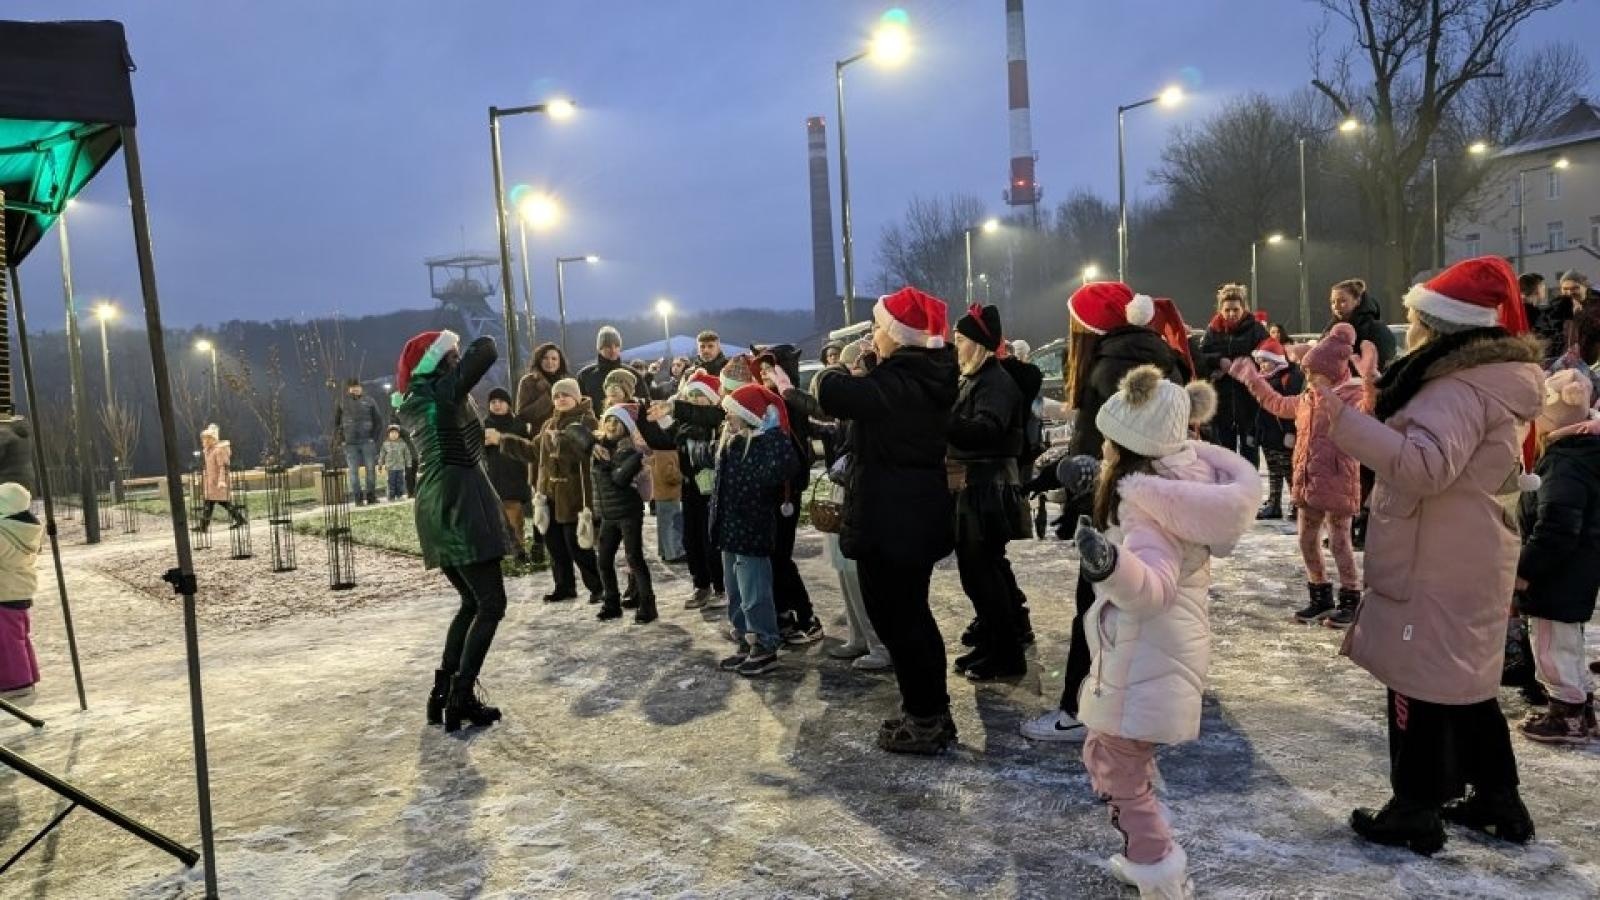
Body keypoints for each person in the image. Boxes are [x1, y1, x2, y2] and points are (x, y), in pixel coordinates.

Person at [1320, 256, 1541, 854]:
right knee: (1465, 683)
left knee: (1415, 682)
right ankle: (1498, 799)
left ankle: (1415, 809)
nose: (1410, 326)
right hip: (1462, 550)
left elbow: (1423, 466)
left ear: (1437, 326)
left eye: (1415, 317)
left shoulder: (1455, 387)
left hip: (1436, 557)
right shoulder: (1480, 379)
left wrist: (1342, 420)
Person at [1072, 365, 1258, 900]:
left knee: (1115, 764)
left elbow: (1152, 587)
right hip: (1158, 654)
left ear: (1130, 447)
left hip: (1146, 659)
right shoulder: (1177, 480)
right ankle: (1147, 857)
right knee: (1114, 753)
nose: (1103, 449)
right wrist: (1096, 480)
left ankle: (1156, 866)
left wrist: (1109, 566)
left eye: (1108, 444)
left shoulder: (1148, 512)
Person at [1022, 282, 1184, 744]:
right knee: (1127, 607)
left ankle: (1080, 709)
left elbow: (1107, 448)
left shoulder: (1112, 366)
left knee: (1095, 608)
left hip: (1113, 506)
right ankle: (1131, 701)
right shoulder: (1150, 355)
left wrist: (1074, 479)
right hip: (1143, 503)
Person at [813, 287, 960, 754]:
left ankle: (925, 717)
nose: (874, 334)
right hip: (908, 514)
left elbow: (830, 392)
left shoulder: (901, 380)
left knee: (901, 621)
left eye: (878, 327)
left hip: (893, 518)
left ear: (899, 334)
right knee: (909, 617)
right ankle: (929, 710)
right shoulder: (921, 375)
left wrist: (842, 368)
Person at [394, 330, 513, 733]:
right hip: (460, 503)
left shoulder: (417, 398)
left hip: (436, 505)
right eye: (453, 354)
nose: (459, 359)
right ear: (438, 360)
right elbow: (488, 348)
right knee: (491, 603)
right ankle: (460, 698)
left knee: (471, 602)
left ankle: (442, 694)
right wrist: (451, 348)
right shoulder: (440, 390)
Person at [1232, 324, 1375, 625]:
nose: (1308, 379)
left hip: (1338, 481)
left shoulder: (1350, 397)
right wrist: (1254, 381)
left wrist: (1370, 382)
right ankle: (1319, 594)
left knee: (1339, 542)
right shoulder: (1308, 398)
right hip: (1308, 480)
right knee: (1306, 540)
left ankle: (1350, 597)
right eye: (1307, 373)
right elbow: (1278, 404)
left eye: (1314, 374)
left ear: (1333, 373)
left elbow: (1368, 411)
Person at [785, 339, 890, 670]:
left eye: (852, 366)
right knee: (845, 571)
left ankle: (879, 643)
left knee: (859, 573)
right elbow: (821, 412)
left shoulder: (872, 401)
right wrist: (789, 392)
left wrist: (790, 391)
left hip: (861, 493)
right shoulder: (851, 407)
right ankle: (858, 637)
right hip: (844, 489)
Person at [1513, 369, 1599, 743]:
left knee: (1551, 646)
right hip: (1576, 570)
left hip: (1557, 575)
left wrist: (1525, 569)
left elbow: (1557, 527)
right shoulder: (1583, 453)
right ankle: (1583, 707)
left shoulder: (1564, 463)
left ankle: (1567, 714)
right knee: (1567, 644)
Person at [947, 304, 1030, 682]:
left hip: (989, 488)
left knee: (984, 572)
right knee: (978, 572)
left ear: (978, 344)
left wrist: (942, 419)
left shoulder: (995, 382)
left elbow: (987, 431)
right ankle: (993, 643)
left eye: (960, 339)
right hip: (976, 486)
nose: (956, 347)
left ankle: (1006, 654)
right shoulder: (975, 378)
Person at [711, 384, 799, 677]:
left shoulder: (765, 444)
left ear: (749, 415)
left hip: (752, 530)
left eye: (732, 413)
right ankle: (744, 639)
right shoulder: (731, 442)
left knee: (754, 592)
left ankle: (764, 643)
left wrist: (773, 434)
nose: (727, 418)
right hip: (729, 530)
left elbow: (784, 469)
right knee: (735, 591)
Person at [505, 378, 604, 605]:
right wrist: (504, 441)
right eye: (557, 396)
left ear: (576, 397)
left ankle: (598, 586)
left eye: (565, 395)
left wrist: (565, 441)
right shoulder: (549, 424)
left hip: (576, 495)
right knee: (555, 546)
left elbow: (589, 452)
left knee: (579, 545)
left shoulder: (588, 421)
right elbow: (533, 451)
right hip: (550, 495)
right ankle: (564, 586)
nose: (561, 400)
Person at [642, 371, 727, 609]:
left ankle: (721, 587)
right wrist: (660, 417)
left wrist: (674, 407)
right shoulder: (686, 425)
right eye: (691, 395)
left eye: (700, 395)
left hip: (712, 490)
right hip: (690, 489)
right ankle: (701, 585)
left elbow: (703, 415)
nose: (695, 400)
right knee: (691, 539)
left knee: (710, 540)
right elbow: (674, 436)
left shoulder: (718, 418)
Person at [756, 345, 823, 645]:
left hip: (786, 492)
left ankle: (807, 617)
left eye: (769, 369)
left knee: (781, 557)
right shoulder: (764, 399)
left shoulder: (789, 402)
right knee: (772, 557)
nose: (764, 375)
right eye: (761, 370)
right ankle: (783, 614)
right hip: (768, 491)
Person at [576, 403, 659, 624]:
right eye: (609, 420)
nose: (612, 425)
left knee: (634, 559)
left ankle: (648, 605)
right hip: (607, 514)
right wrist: (592, 445)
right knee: (603, 560)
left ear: (626, 427)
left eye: (617, 422)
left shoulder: (632, 451)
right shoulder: (597, 444)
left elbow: (620, 479)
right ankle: (611, 603)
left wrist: (606, 462)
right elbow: (573, 430)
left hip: (628, 513)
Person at [1197, 284, 1268, 465]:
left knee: (1249, 454)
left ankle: (1250, 483)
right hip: (1222, 403)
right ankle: (1228, 483)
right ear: (1220, 310)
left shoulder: (1256, 329)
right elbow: (1200, 358)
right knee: (1224, 456)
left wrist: (1244, 366)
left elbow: (1269, 359)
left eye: (1235, 309)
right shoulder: (1213, 330)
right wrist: (1217, 361)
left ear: (1244, 308)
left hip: (1249, 402)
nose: (1231, 314)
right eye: (1227, 310)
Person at [1246, 338, 1303, 520]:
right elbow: (1257, 411)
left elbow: (1292, 407)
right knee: (1274, 471)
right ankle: (1274, 503)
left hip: (1281, 433)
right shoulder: (1262, 380)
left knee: (1289, 471)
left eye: (1266, 361)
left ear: (1277, 360)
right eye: (1260, 362)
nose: (1262, 366)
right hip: (1267, 434)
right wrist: (1253, 432)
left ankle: (1297, 504)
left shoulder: (1289, 378)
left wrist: (1290, 432)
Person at [0, 483, 42, 697]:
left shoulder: (3, 532)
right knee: (20, 637)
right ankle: (28, 675)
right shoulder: (26, 527)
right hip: (21, 591)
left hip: (5, 592)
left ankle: (17, 684)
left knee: (8, 641)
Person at [482, 387, 533, 564]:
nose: (497, 405)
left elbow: (527, 448)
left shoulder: (518, 424)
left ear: (509, 404)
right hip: (494, 478)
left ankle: (518, 552)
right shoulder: (484, 425)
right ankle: (503, 552)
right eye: (493, 402)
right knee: (497, 519)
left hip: (515, 477)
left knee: (514, 517)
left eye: (501, 401)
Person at [333, 377, 385, 505]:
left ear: (361, 388)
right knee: (353, 472)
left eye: (357, 386)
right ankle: (358, 498)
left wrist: (374, 438)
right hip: (350, 443)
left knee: (370, 470)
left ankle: (371, 496)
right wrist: (342, 440)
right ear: (348, 389)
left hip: (367, 441)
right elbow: (336, 423)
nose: (355, 389)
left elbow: (379, 421)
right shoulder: (342, 402)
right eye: (353, 387)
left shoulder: (370, 401)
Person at [1329, 279, 1398, 371]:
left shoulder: (1375, 329)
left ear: (1357, 301)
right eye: (1333, 302)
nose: (1336, 307)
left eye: (1342, 301)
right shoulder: (1331, 329)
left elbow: (1382, 362)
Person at [197, 424, 247, 530]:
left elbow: (222, 467)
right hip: (211, 482)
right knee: (210, 503)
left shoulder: (218, 450)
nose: (203, 441)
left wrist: (221, 481)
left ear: (211, 439)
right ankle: (204, 526)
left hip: (218, 483)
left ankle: (240, 519)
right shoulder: (208, 451)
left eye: (205, 439)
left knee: (221, 502)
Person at [578, 326, 632, 413]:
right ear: (600, 348)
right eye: (608, 346)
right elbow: (579, 405)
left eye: (616, 346)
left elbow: (644, 403)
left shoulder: (631, 374)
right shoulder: (585, 375)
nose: (613, 350)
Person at [1521, 272, 1571, 362]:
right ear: (1538, 288)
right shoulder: (1534, 314)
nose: (1545, 289)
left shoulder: (1520, 309)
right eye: (1543, 286)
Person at [378, 425, 413, 501]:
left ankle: (399, 495)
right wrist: (380, 465)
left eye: (396, 433)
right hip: (390, 468)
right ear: (388, 434)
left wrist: (409, 464)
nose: (394, 435)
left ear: (398, 434)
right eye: (392, 433)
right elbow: (382, 455)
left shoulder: (402, 444)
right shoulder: (385, 444)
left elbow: (407, 454)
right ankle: (391, 496)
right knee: (391, 482)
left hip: (400, 467)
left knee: (400, 482)